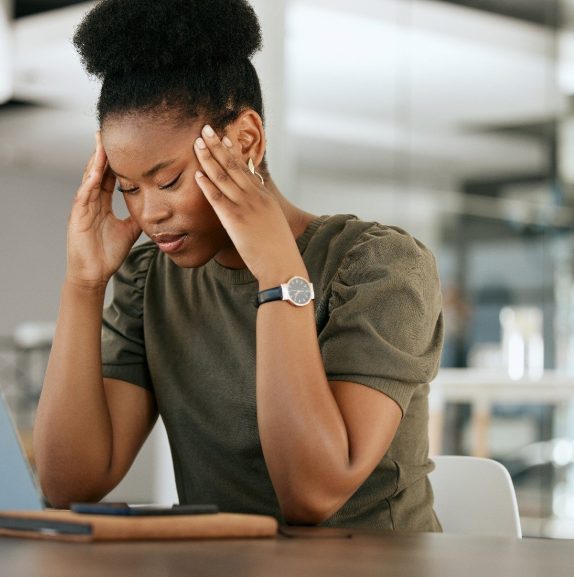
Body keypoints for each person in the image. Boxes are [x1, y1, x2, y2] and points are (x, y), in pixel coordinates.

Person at [33, 0, 443, 530]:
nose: (150, 213)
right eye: (129, 188)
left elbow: (312, 495)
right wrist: (83, 284)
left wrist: (279, 276)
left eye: (169, 180)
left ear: (245, 140)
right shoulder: (147, 280)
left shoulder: (379, 266)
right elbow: (68, 484)